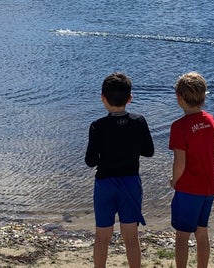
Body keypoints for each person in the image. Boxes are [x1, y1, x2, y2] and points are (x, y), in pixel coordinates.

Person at [85, 72, 155, 268]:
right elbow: (149, 151)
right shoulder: (138, 121)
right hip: (130, 183)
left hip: (105, 184)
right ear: (130, 98)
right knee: (131, 236)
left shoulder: (97, 126)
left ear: (103, 98)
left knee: (102, 236)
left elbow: (90, 161)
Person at [168, 72, 214, 268]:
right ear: (203, 96)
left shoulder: (179, 127)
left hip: (189, 189)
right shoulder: (210, 119)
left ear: (179, 98)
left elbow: (179, 163)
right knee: (201, 231)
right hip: (209, 187)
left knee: (182, 236)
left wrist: (174, 181)